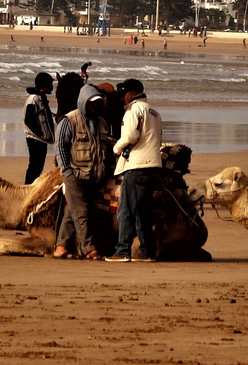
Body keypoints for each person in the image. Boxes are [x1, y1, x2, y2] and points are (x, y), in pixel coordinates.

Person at [52, 84, 113, 260]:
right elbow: (60, 147)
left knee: (72, 213)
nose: (94, 107)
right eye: (91, 103)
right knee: (82, 213)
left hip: (93, 177)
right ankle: (89, 249)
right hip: (75, 176)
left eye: (97, 103)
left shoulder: (102, 122)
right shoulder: (69, 120)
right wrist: (67, 171)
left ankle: (60, 247)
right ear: (83, 102)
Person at [108, 78, 162, 262]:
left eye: (123, 95)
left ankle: (122, 251)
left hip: (137, 166)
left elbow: (131, 135)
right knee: (143, 212)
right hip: (153, 166)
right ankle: (147, 252)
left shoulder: (133, 110)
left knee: (125, 210)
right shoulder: (154, 112)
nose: (122, 99)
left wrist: (116, 149)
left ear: (132, 94)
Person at [22, 72, 56, 185]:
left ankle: (30, 187)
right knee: (34, 167)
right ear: (45, 85)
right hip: (35, 140)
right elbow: (28, 120)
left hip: (40, 140)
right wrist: (40, 134)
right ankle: (28, 188)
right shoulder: (34, 99)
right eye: (51, 84)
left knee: (37, 167)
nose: (52, 86)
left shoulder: (41, 98)